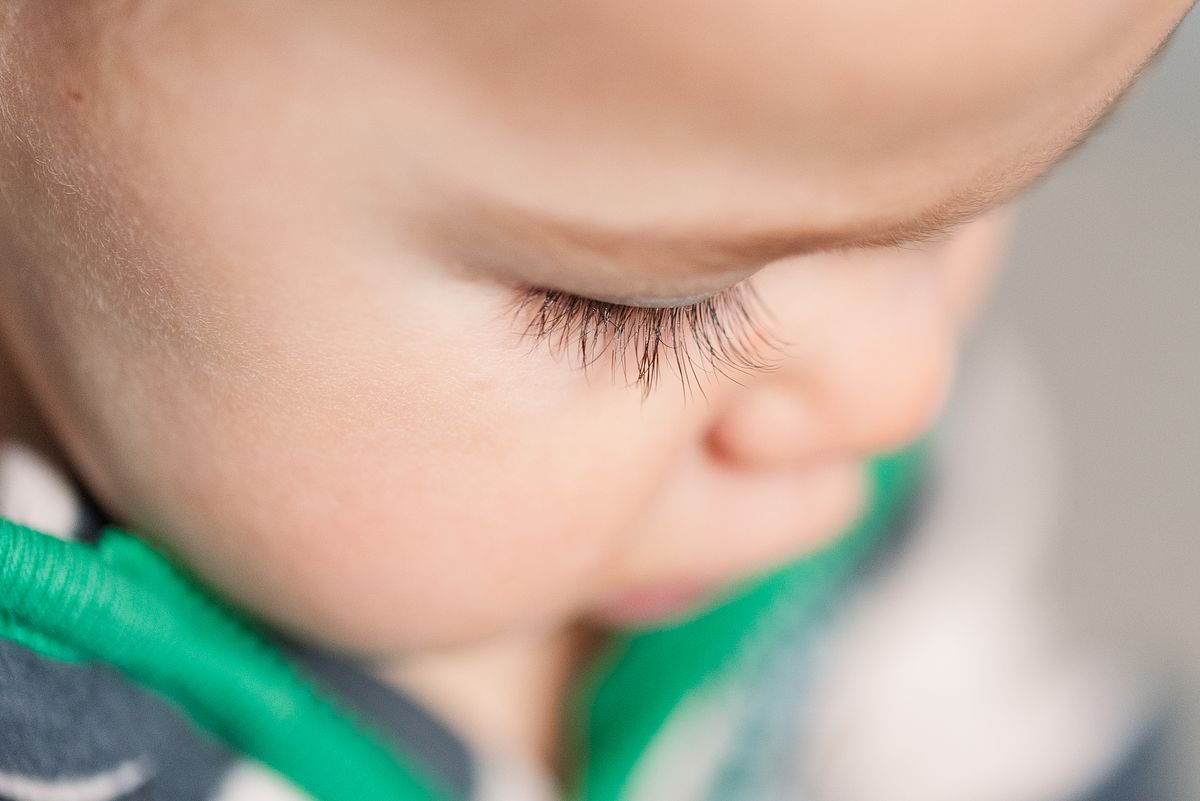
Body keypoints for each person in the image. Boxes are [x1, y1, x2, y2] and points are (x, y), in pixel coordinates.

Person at [0, 2, 1192, 799]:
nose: (903, 386)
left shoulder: (830, 454)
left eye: (976, 195)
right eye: (641, 308)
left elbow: (977, 727)